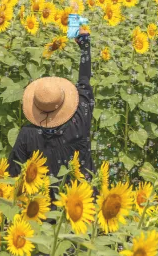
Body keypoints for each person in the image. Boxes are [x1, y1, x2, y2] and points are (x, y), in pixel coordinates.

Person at [8, 30, 94, 182]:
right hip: (83, 199)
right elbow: (84, 81)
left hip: (44, 202)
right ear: (64, 101)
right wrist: (84, 46)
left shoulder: (27, 135)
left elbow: (13, 174)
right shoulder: (81, 115)